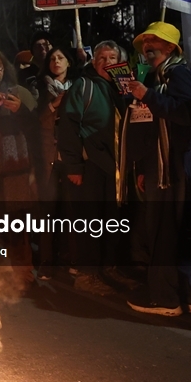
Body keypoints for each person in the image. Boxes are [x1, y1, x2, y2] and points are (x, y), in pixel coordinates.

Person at [121, 22, 191, 316]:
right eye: (144, 43)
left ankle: (165, 299)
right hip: (160, 166)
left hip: (172, 167)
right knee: (169, 230)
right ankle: (189, 295)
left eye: (154, 41)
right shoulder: (159, 78)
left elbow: (189, 113)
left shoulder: (177, 74)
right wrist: (143, 166)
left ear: (171, 48)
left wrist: (148, 96)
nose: (147, 47)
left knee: (163, 231)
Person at [57, 40, 134, 294]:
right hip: (90, 165)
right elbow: (68, 126)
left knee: (112, 220)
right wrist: (73, 166)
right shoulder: (84, 86)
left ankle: (109, 267)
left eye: (112, 58)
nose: (107, 63)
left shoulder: (123, 88)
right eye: (101, 58)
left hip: (115, 167)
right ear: (93, 61)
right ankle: (87, 274)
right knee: (89, 220)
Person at [0, 47, 38, 284]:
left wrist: (19, 110)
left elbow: (33, 125)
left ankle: (23, 271)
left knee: (17, 221)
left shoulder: (18, 92)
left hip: (16, 165)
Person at [35, 44, 76, 280]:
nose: (56, 62)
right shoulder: (41, 88)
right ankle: (46, 263)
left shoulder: (78, 87)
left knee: (71, 212)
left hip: (70, 158)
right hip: (48, 159)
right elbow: (36, 120)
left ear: (69, 62)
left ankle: (71, 259)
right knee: (47, 213)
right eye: (52, 58)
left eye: (60, 58)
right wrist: (54, 104)